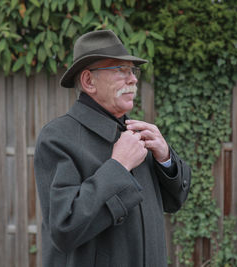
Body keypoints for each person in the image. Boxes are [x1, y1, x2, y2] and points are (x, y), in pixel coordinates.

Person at [34, 30, 191, 267]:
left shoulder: (137, 133)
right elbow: (64, 228)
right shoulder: (57, 137)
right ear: (89, 81)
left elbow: (174, 201)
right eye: (120, 70)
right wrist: (118, 166)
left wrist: (165, 158)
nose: (133, 79)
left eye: (133, 70)